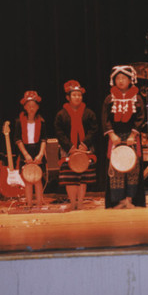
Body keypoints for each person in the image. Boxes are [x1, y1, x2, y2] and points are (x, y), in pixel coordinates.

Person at [102, 65, 146, 208]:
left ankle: (130, 199)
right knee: (116, 169)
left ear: (130, 80)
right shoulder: (110, 98)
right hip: (115, 136)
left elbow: (140, 117)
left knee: (133, 168)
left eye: (124, 78)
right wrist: (112, 135)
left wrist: (133, 134)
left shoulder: (137, 98)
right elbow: (105, 118)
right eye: (118, 78)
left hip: (132, 136)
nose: (120, 81)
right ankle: (119, 200)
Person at [55, 80, 98, 210]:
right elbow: (59, 132)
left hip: (85, 149)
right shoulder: (61, 114)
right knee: (70, 177)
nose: (77, 97)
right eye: (74, 95)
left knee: (83, 177)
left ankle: (80, 202)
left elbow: (94, 129)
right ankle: (72, 202)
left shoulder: (89, 113)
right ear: (68, 97)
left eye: (79, 95)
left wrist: (85, 144)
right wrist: (70, 147)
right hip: (68, 149)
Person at [14, 90, 47, 208]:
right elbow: (18, 140)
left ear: (37, 107)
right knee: (28, 180)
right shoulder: (19, 122)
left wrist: (40, 155)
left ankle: (39, 204)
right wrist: (26, 155)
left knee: (38, 179)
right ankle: (28, 204)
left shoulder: (41, 122)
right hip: (25, 151)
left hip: (37, 151)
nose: (31, 108)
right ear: (25, 107)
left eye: (34, 106)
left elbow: (44, 140)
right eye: (29, 106)